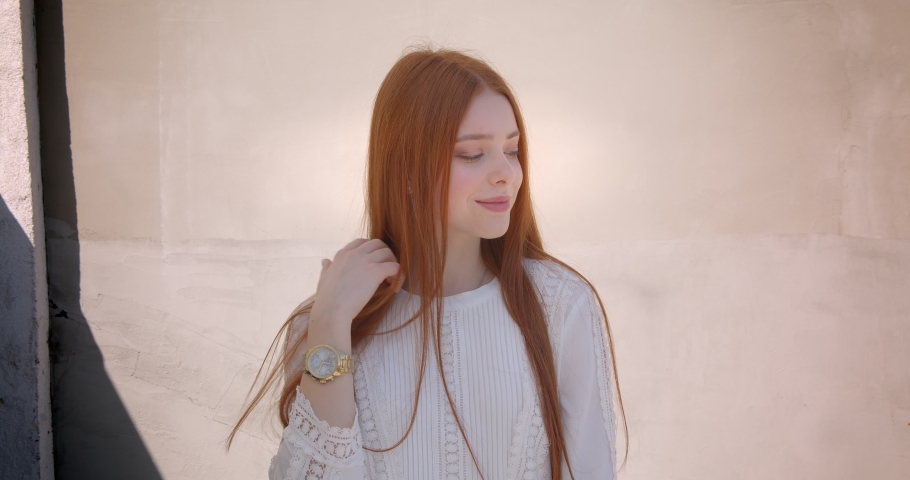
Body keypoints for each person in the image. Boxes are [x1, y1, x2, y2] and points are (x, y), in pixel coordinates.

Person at [227, 47, 628, 480]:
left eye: (512, 151)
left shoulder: (561, 305)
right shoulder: (330, 321)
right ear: (408, 170)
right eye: (473, 154)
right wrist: (329, 324)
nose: (506, 174)